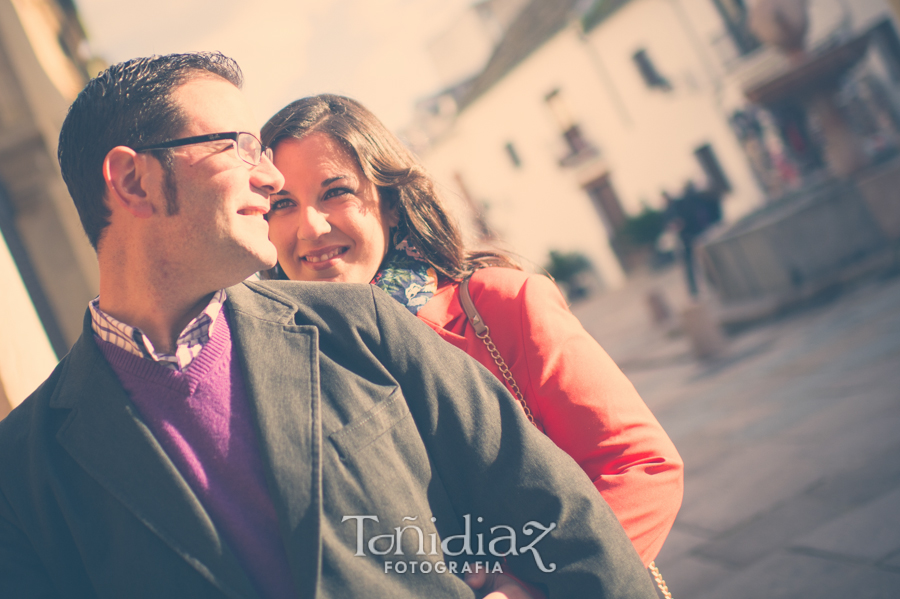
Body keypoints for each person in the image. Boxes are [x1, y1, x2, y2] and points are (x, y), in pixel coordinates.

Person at [0, 53, 659, 599]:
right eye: (238, 146)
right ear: (134, 180)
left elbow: (570, 525)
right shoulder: (22, 471)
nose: (269, 175)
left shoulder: (362, 325)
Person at [260, 94, 684, 567]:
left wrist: (540, 587)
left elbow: (638, 465)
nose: (310, 227)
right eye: (282, 204)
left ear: (391, 203)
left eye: (335, 192)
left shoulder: (502, 305)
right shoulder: (279, 374)